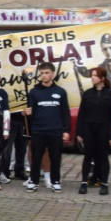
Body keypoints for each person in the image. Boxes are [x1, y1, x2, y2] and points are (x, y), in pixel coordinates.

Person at [23, 62, 70, 192]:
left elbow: (65, 112)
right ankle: (34, 180)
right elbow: (31, 112)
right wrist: (27, 113)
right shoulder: (34, 92)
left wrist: (66, 130)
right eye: (42, 73)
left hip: (55, 130)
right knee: (36, 157)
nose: (44, 76)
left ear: (53, 74)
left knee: (55, 157)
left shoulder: (60, 92)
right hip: (38, 130)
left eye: (47, 73)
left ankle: (56, 181)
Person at [77, 66, 111, 196]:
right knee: (87, 156)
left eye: (95, 75)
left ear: (102, 78)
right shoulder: (87, 93)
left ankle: (104, 184)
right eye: (92, 75)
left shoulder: (110, 94)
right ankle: (84, 182)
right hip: (89, 128)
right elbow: (81, 114)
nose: (92, 77)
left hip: (103, 129)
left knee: (103, 157)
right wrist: (79, 132)